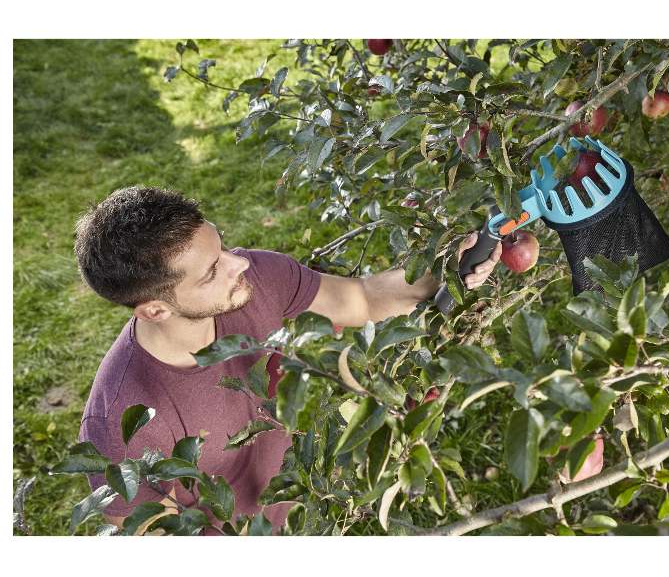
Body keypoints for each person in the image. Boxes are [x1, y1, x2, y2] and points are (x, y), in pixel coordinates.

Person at [74, 186, 501, 536]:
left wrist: (438, 273)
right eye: (211, 272)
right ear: (154, 309)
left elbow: (361, 298)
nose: (239, 262)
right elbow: (149, 531)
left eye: (221, 246)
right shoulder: (122, 423)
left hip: (295, 510)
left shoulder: (256, 278)